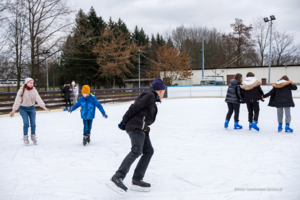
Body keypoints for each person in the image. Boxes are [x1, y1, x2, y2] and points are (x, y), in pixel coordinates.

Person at [107, 78, 165, 195]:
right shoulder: (149, 95)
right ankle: (117, 176)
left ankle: (137, 179)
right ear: (160, 91)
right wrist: (124, 120)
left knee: (148, 151)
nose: (164, 93)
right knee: (136, 151)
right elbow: (135, 106)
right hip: (136, 126)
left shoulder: (152, 97)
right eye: (164, 90)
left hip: (142, 128)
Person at [9, 78, 50, 144]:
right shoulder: (21, 90)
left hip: (31, 108)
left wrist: (43, 106)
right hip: (23, 109)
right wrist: (14, 110)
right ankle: (25, 137)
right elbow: (17, 100)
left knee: (33, 123)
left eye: (32, 83)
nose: (32, 84)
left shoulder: (34, 90)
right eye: (30, 83)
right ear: (26, 83)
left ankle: (33, 136)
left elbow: (38, 98)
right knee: (26, 123)